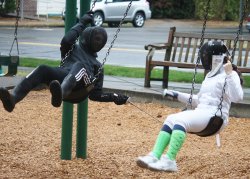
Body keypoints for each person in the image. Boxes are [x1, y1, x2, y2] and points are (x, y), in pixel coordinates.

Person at [136, 40, 244, 172]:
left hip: (216, 118)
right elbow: (199, 100)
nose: (205, 60)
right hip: (203, 112)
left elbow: (237, 97)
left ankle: (170, 160)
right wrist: (176, 95)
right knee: (170, 119)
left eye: (206, 56)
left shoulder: (229, 75)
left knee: (181, 120)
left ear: (215, 58)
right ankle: (154, 156)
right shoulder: (210, 76)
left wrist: (230, 73)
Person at [0, 12, 129, 113]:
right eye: (97, 38)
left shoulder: (97, 66)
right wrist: (82, 22)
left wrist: (114, 96)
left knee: (80, 67)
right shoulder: (72, 47)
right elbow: (67, 39)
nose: (99, 42)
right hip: (62, 81)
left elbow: (95, 95)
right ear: (86, 37)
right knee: (43, 69)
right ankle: (13, 99)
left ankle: (60, 93)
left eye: (101, 40)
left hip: (79, 91)